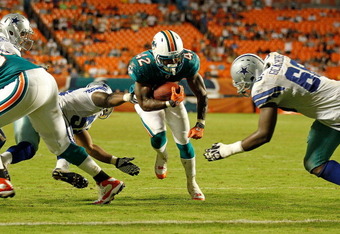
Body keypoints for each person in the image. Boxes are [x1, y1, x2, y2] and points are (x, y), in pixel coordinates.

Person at [0, 13, 124, 204]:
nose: (26, 39)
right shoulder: (8, 47)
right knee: (62, 145)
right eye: (23, 34)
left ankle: (2, 180)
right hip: (44, 80)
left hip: (24, 81)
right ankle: (106, 180)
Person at [204, 52, 340, 186]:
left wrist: (227, 150)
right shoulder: (275, 58)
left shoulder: (264, 86)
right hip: (330, 114)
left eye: (242, 83)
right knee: (314, 162)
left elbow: (264, 135)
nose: (242, 87)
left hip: (335, 109)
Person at [0, 81, 140, 189]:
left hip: (31, 109)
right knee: (65, 141)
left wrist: (115, 161)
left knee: (28, 147)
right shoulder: (94, 95)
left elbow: (88, 147)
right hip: (49, 110)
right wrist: (128, 96)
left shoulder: (83, 111)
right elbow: (105, 98)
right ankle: (62, 168)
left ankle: (3, 160)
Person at [128, 30, 208, 200]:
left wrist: (200, 123)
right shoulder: (142, 65)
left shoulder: (189, 60)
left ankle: (192, 182)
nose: (173, 63)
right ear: (156, 55)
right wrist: (168, 103)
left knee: (184, 142)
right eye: (167, 60)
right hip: (148, 99)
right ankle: (162, 156)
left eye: (176, 58)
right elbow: (145, 103)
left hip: (172, 98)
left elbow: (202, 93)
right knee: (158, 137)